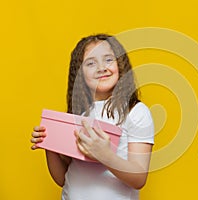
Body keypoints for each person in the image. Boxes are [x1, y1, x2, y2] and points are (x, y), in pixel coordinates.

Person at [30, 34, 154, 200]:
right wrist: (49, 145)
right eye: (90, 63)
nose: (101, 68)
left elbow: (139, 178)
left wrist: (104, 155)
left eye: (108, 59)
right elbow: (62, 178)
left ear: (121, 65)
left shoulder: (136, 112)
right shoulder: (80, 114)